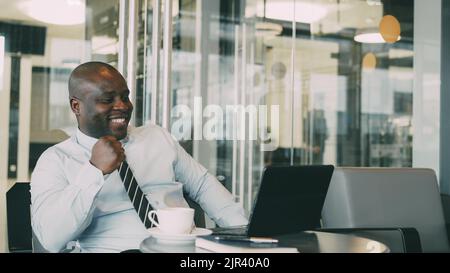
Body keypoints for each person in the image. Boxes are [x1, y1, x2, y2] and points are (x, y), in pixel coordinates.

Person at [30, 61, 248, 253]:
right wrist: (94, 170)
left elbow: (203, 185)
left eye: (125, 97)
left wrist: (247, 236)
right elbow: (50, 239)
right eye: (108, 99)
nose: (123, 106)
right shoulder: (55, 160)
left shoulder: (157, 137)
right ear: (76, 106)